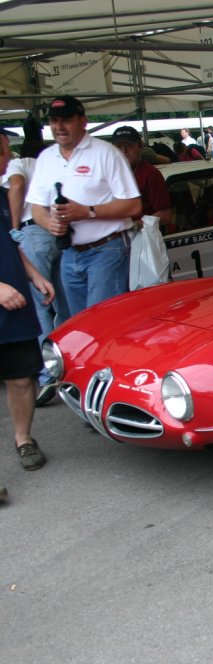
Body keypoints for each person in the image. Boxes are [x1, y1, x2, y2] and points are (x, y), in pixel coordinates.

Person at [26, 96, 141, 318]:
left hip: (106, 248)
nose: (59, 126)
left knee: (102, 321)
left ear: (83, 121)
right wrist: (50, 223)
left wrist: (87, 211)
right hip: (68, 251)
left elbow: (134, 205)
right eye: (54, 120)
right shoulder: (46, 158)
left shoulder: (106, 153)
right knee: (78, 324)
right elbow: (36, 208)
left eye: (66, 120)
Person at [1, 128, 56, 473]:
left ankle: (24, 439)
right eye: (1, 152)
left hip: (16, 300)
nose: (7, 159)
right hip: (4, 294)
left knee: (22, 378)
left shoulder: (1, 195)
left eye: (6, 151)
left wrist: (35, 275)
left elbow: (10, 244)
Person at [3, 137, 68, 407]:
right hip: (51, 233)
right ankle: (61, 368)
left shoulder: (16, 170)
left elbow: (16, 184)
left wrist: (14, 229)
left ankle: (49, 371)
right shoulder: (43, 165)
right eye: (3, 152)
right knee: (59, 305)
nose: (8, 157)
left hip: (34, 233)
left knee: (42, 306)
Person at [110, 126, 172, 229]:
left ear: (140, 146)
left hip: (142, 238)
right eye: (119, 146)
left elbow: (165, 215)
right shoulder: (110, 174)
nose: (124, 150)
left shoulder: (151, 174)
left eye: (128, 146)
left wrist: (134, 226)